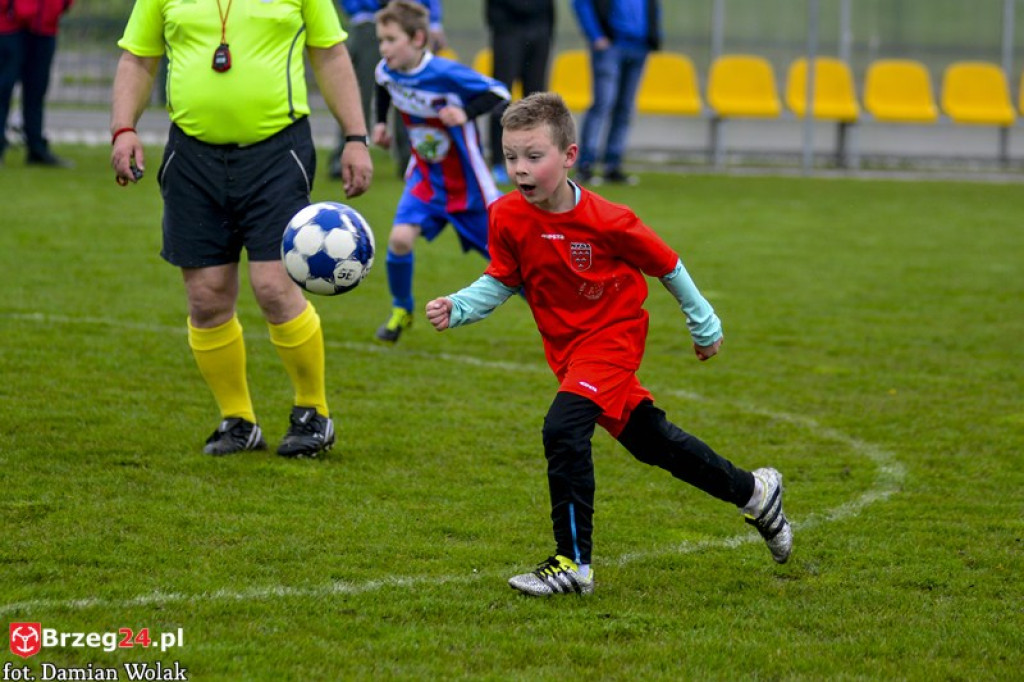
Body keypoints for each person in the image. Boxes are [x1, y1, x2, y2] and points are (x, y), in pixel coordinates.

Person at [426, 92, 792, 596]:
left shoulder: (610, 221)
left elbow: (668, 266)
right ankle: (755, 493)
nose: (520, 169)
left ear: (569, 155)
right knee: (651, 440)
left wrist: (704, 325)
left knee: (562, 429)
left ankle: (573, 564)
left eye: (535, 156)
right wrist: (459, 305)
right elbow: (503, 279)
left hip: (613, 340)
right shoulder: (506, 215)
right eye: (511, 157)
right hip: (568, 351)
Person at [109, 0, 373, 458]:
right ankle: (238, 421)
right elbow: (138, 57)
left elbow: (329, 54)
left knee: (274, 286)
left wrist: (354, 137)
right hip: (191, 156)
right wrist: (122, 128)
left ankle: (314, 412)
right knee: (206, 295)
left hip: (277, 152)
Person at [371, 0, 509, 344]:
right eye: (381, 40)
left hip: (469, 186)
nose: (383, 48)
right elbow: (381, 87)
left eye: (390, 39)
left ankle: (558, 319)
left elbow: (499, 92)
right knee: (400, 239)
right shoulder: (386, 70)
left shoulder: (446, 73)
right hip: (426, 178)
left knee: (510, 263)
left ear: (418, 38)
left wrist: (464, 110)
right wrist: (379, 124)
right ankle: (402, 310)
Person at [329, 0, 446, 180]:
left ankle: (411, 159)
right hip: (368, 21)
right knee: (360, 92)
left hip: (408, 20)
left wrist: (435, 21)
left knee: (408, 91)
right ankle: (346, 155)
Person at [571, 0, 660, 185]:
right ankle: (586, 165)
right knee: (603, 103)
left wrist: (653, 34)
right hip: (611, 45)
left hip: (639, 47)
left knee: (625, 108)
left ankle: (613, 165)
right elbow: (582, 4)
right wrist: (595, 36)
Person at [483, 0, 555, 185]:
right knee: (501, 98)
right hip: (509, 33)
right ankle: (498, 161)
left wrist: (547, 32)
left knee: (536, 102)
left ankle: (535, 158)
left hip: (540, 33)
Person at [0, 0, 74, 168]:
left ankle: (36, 148)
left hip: (45, 25)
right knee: (3, 89)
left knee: (37, 90)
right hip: (9, 24)